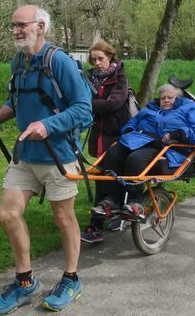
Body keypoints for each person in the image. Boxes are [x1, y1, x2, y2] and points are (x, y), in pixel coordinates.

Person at [0, 5, 93, 315]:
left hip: (59, 155)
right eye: (13, 25)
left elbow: (84, 109)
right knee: (7, 214)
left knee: (63, 217)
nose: (15, 30)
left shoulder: (60, 62)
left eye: (21, 25)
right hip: (26, 155)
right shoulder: (19, 62)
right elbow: (13, 101)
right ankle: (26, 283)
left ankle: (71, 278)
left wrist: (47, 125)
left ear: (40, 27)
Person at [92, 84, 195, 221]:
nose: (166, 100)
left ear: (178, 98)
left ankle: (135, 201)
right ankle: (111, 200)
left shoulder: (189, 108)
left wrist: (176, 134)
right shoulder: (149, 110)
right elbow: (131, 123)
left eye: (170, 97)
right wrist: (128, 131)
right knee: (112, 154)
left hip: (167, 147)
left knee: (135, 159)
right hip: (138, 141)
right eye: (163, 97)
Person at [81, 40, 132, 244]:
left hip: (117, 135)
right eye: (93, 60)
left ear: (110, 56)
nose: (97, 63)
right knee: (102, 178)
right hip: (99, 136)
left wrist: (86, 105)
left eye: (100, 58)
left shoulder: (120, 77)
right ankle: (104, 219)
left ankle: (99, 224)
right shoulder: (91, 78)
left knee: (113, 177)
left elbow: (114, 103)